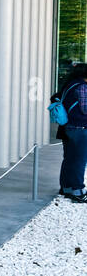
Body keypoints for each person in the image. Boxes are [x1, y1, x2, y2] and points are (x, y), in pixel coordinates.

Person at [55, 63, 87, 202]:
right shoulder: (82, 87)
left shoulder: (69, 85)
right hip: (80, 128)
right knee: (79, 160)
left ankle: (66, 188)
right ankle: (78, 191)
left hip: (68, 128)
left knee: (69, 158)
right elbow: (85, 109)